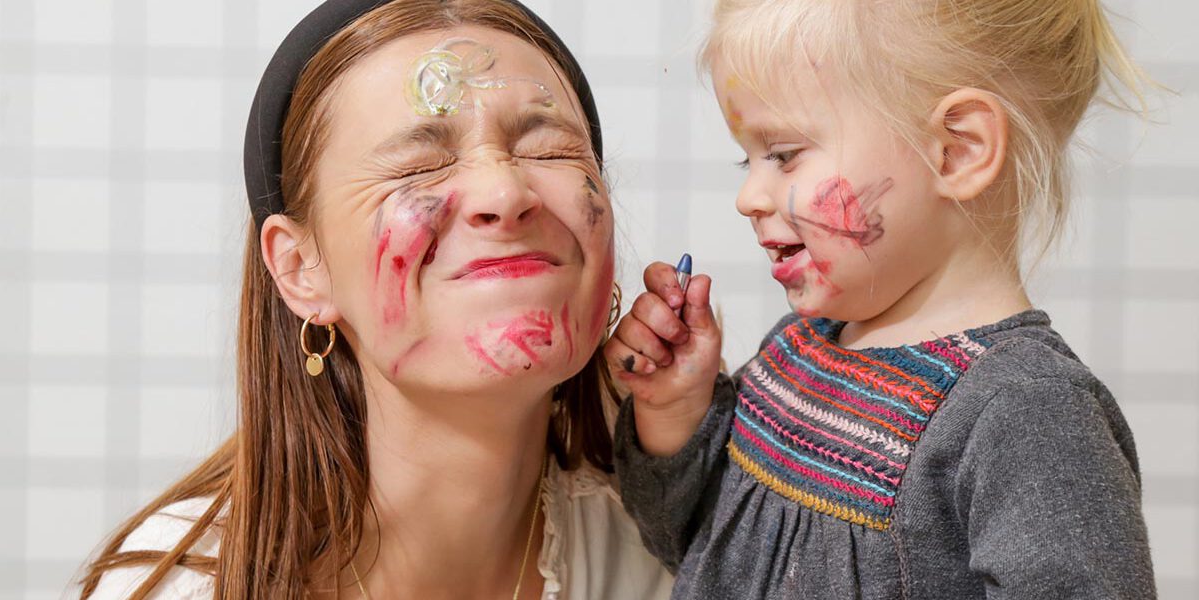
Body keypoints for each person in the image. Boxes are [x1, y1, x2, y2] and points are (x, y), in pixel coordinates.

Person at [80, 1, 673, 598]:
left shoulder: (677, 555)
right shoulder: (178, 588)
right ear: (299, 268)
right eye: (422, 164)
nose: (505, 190)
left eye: (547, 151)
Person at [605, 0, 1157, 598]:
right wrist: (675, 412)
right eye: (750, 159)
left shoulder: (1029, 413)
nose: (749, 197)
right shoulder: (796, 352)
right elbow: (690, 550)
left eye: (784, 154)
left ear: (957, 150)